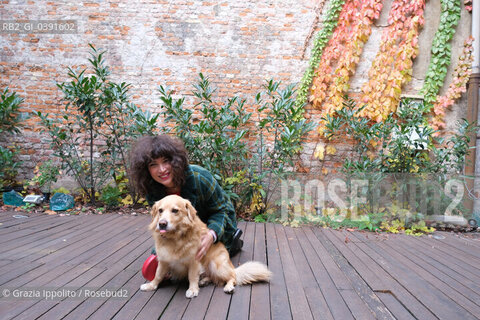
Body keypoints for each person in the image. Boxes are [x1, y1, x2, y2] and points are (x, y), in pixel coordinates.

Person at [129, 134, 243, 262]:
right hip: (185, 230)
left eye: (166, 161)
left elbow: (221, 212)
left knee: (210, 260)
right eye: (153, 164)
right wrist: (160, 253)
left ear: (175, 161)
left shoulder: (200, 177)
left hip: (215, 222)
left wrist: (211, 235)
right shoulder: (152, 190)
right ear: (146, 169)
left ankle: (233, 242)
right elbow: (162, 225)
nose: (161, 169)